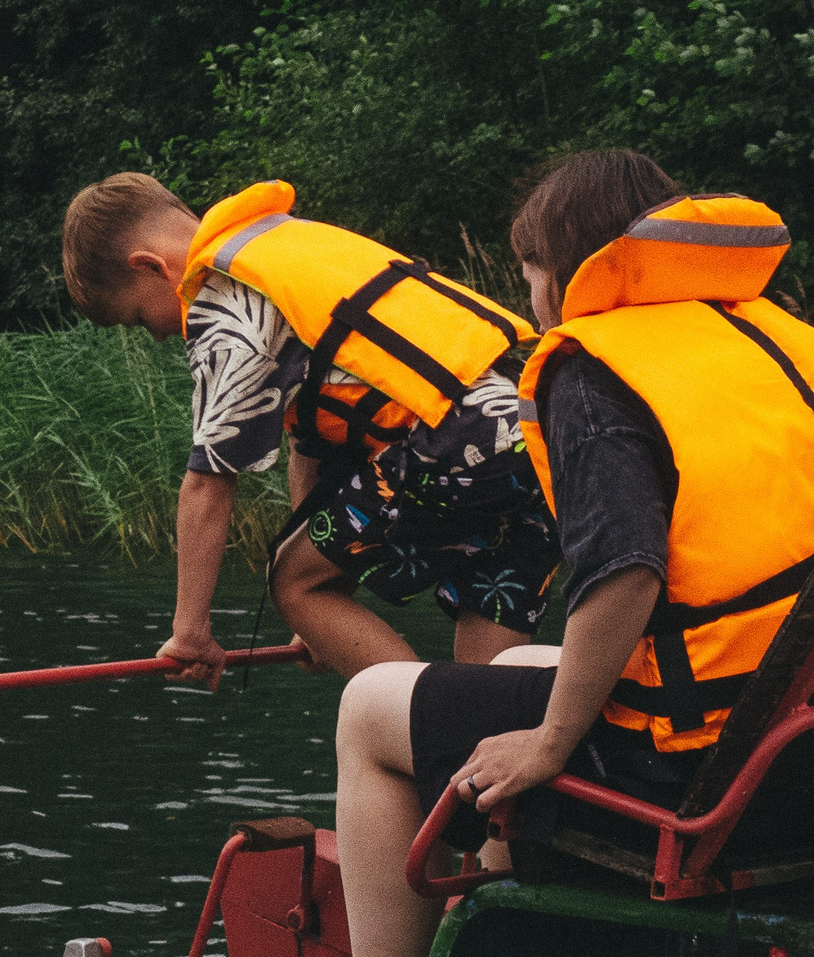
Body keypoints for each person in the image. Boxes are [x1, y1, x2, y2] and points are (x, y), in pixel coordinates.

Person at [335, 151, 814, 957]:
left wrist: (552, 743)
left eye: (527, 272)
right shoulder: (792, 342)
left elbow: (625, 575)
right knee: (516, 663)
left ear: (566, 267)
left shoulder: (598, 369)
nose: (526, 294)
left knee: (368, 711)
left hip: (709, 770)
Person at [61, 173, 560, 684]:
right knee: (484, 659)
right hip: (538, 432)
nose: (161, 335)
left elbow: (208, 483)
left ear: (149, 267)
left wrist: (191, 630)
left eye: (141, 319)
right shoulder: (286, 243)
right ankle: (475, 737)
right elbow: (312, 444)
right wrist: (326, 614)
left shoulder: (226, 299)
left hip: (461, 440)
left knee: (292, 581)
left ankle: (427, 728)